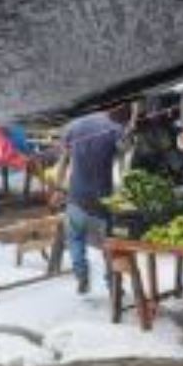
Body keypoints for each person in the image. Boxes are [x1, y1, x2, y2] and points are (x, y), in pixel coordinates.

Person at [56, 104, 130, 293]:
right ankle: (112, 282)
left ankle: (81, 276)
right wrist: (124, 188)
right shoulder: (115, 128)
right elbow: (124, 160)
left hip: (76, 195)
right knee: (108, 241)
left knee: (75, 238)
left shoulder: (72, 127)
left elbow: (63, 161)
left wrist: (58, 188)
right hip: (102, 197)